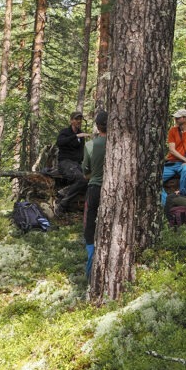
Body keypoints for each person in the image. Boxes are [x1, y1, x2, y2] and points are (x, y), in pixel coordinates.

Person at [81, 110, 108, 278]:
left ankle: (90, 271)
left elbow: (85, 173)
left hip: (94, 189)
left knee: (90, 227)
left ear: (97, 127)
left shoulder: (90, 145)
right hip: (114, 191)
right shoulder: (119, 144)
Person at [54, 112, 90, 218]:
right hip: (65, 162)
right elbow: (59, 142)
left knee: (89, 179)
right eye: (76, 119)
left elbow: (81, 152)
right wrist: (75, 136)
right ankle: (61, 206)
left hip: (76, 164)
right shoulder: (65, 132)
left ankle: (64, 192)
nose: (78, 121)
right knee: (81, 179)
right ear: (71, 121)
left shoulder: (81, 135)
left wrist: (85, 165)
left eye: (80, 119)